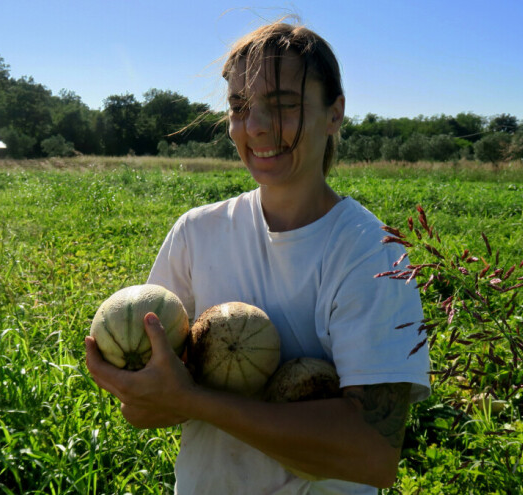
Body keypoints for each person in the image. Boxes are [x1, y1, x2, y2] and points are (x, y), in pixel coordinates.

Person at [85, 19, 431, 494]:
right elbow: (145, 410)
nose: (257, 126)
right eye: (239, 106)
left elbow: (372, 455)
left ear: (335, 114)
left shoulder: (373, 252)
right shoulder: (196, 231)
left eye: (283, 104)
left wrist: (196, 399)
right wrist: (138, 389)